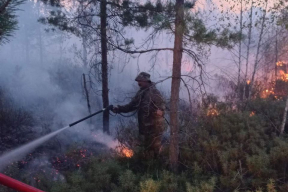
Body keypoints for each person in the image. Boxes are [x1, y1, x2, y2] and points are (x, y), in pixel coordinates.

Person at [113, 72, 165, 158]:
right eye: (138, 81)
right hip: (145, 128)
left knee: (155, 151)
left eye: (140, 81)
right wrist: (119, 109)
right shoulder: (141, 93)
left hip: (154, 129)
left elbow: (162, 108)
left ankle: (157, 168)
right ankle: (146, 167)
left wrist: (160, 112)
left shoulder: (154, 93)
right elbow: (131, 106)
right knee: (146, 150)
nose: (138, 83)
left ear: (146, 81)